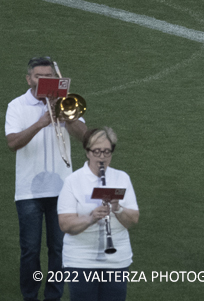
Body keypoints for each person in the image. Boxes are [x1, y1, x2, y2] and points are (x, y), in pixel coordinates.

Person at [7, 57, 87, 301]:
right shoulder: (17, 105)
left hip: (62, 190)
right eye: (39, 76)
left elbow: (86, 138)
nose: (44, 80)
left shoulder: (65, 102)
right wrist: (41, 122)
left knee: (59, 249)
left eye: (49, 76)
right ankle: (30, 296)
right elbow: (12, 143)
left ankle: (53, 296)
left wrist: (67, 117)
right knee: (30, 251)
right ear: (29, 79)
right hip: (29, 192)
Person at [57, 127, 139, 301]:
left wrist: (118, 209)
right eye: (97, 151)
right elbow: (65, 224)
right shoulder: (73, 181)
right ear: (87, 152)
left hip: (117, 260)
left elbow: (133, 220)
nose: (102, 157)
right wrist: (91, 218)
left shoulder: (121, 178)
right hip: (80, 260)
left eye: (107, 152)